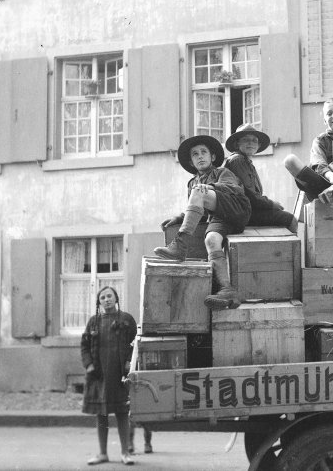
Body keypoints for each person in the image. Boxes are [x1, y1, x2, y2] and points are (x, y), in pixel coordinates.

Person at [154, 135, 251, 310]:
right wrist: (179, 218)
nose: (200, 156)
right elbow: (197, 209)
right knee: (211, 240)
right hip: (219, 217)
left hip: (237, 209)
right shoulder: (193, 183)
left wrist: (210, 188)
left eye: (204, 152)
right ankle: (227, 290)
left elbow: (232, 188)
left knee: (199, 191)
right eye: (195, 154)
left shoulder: (222, 172)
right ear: (191, 162)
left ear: (212, 157)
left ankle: (180, 244)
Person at [81, 286, 137, 466]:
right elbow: (84, 345)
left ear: (116, 298)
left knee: (122, 413)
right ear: (99, 301)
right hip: (99, 374)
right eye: (103, 297)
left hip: (119, 373)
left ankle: (125, 452)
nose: (107, 299)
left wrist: (130, 361)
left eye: (110, 296)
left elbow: (136, 343)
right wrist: (89, 365)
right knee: (101, 414)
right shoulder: (93, 322)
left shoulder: (127, 320)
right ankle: (103, 453)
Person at [224, 123, 298, 233]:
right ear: (237, 144)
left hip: (247, 211)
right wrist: (271, 204)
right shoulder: (237, 160)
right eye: (246, 139)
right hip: (240, 213)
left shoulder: (247, 162)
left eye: (254, 140)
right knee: (290, 219)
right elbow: (250, 195)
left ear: (258, 146)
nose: (251, 143)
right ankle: (292, 249)